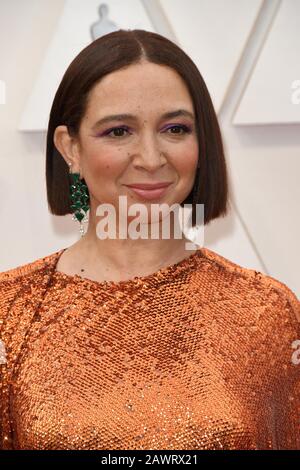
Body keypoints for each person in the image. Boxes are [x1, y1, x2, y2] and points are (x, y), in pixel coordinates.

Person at [0, 29, 299, 450]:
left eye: (175, 129)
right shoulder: (9, 314)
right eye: (119, 132)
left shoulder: (266, 313)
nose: (152, 158)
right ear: (70, 148)